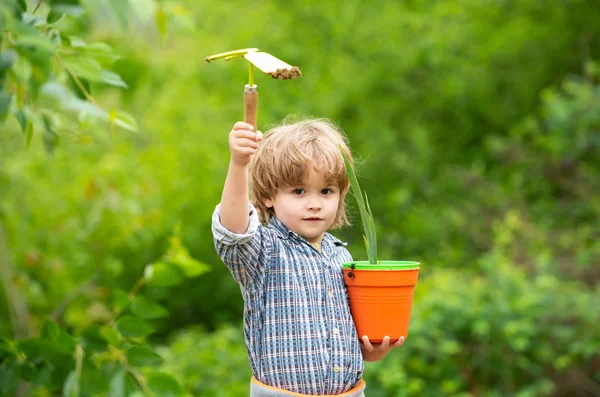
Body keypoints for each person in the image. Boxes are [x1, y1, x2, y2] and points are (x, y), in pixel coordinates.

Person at [212, 118, 405, 396]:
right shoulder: (264, 252)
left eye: (326, 191)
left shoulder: (341, 256)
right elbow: (232, 230)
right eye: (299, 191)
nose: (314, 203)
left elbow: (351, 340)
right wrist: (239, 165)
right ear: (268, 195)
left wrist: (370, 350)